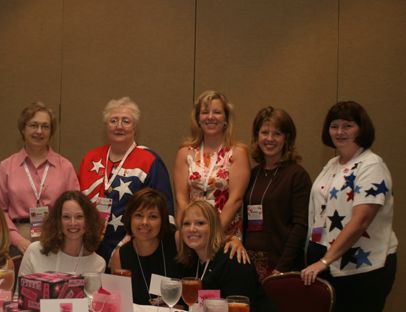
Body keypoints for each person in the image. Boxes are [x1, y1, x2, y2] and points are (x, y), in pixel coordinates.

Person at [301, 101, 397, 312]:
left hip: (362, 270)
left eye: (347, 126)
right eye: (334, 126)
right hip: (332, 266)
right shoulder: (332, 164)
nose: (339, 131)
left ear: (361, 128)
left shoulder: (371, 165)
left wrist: (324, 261)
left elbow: (361, 221)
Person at [78, 97, 174, 264]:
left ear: (135, 126)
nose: (119, 126)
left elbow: (164, 212)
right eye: (113, 120)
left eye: (126, 121)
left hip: (134, 250)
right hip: (89, 250)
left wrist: (127, 247)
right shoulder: (90, 159)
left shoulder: (149, 161)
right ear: (106, 126)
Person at [177, 200, 288, 312]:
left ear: (214, 226)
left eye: (200, 223)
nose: (192, 229)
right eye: (186, 224)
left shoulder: (233, 258)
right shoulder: (191, 260)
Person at [0, 101, 79, 255]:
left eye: (45, 126)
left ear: (51, 132)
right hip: (18, 241)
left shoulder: (65, 167)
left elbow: (75, 208)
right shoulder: (7, 166)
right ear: (23, 129)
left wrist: (59, 236)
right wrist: (17, 240)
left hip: (58, 240)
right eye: (33, 125)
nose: (39, 131)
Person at [243, 107, 311, 280]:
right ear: (257, 136)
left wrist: (282, 268)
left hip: (281, 267)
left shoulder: (297, 175)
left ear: (286, 138)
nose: (270, 139)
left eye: (277, 133)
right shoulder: (252, 174)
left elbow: (301, 226)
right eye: (264, 132)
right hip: (250, 265)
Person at [174, 90, 250, 239]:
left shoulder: (237, 153)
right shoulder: (185, 153)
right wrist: (186, 230)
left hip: (225, 235)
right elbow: (181, 199)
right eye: (205, 112)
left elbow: (235, 200)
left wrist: (212, 236)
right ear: (198, 119)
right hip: (192, 234)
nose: (210, 117)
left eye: (217, 112)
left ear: (226, 119)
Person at [111, 188, 182, 305]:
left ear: (162, 220)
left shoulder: (177, 241)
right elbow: (120, 304)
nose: (144, 222)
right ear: (130, 218)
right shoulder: (120, 256)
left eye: (153, 216)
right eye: (138, 215)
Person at [19, 191, 105, 275]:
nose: (72, 223)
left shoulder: (98, 264)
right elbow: (19, 289)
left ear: (88, 220)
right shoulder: (34, 252)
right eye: (66, 217)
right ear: (57, 221)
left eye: (79, 216)